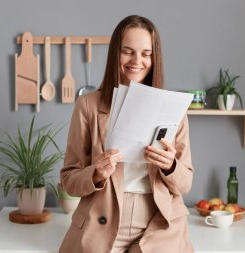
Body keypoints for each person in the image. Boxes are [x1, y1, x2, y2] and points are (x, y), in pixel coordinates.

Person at [59, 15, 194, 253]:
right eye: (128, 51)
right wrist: (97, 174)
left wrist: (170, 166)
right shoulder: (88, 105)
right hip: (102, 222)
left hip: (160, 225)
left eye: (146, 53)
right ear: (115, 54)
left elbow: (185, 184)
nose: (137, 61)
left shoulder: (174, 109)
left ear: (155, 57)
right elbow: (69, 181)